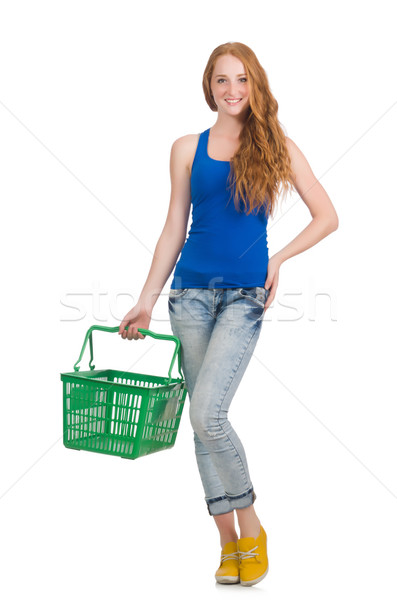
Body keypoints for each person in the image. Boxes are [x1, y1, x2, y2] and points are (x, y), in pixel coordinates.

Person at [118, 41, 338, 586]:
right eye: (222, 80)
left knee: (206, 415)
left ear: (255, 84)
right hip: (188, 296)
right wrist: (146, 297)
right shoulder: (185, 148)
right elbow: (174, 227)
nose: (232, 90)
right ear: (208, 86)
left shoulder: (277, 146)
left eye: (242, 80)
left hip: (243, 298)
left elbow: (327, 215)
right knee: (202, 423)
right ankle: (226, 543)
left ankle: (253, 528)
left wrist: (279, 258)